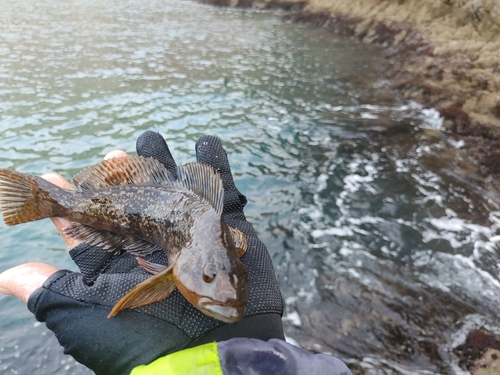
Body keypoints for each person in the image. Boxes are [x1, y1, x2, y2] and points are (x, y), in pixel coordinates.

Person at [0, 131, 352, 375]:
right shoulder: (229, 244)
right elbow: (236, 241)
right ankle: (41, 198)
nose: (228, 297)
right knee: (60, 199)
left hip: (166, 209)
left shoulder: (229, 248)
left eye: (235, 281)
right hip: (147, 209)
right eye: (212, 277)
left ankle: (44, 198)